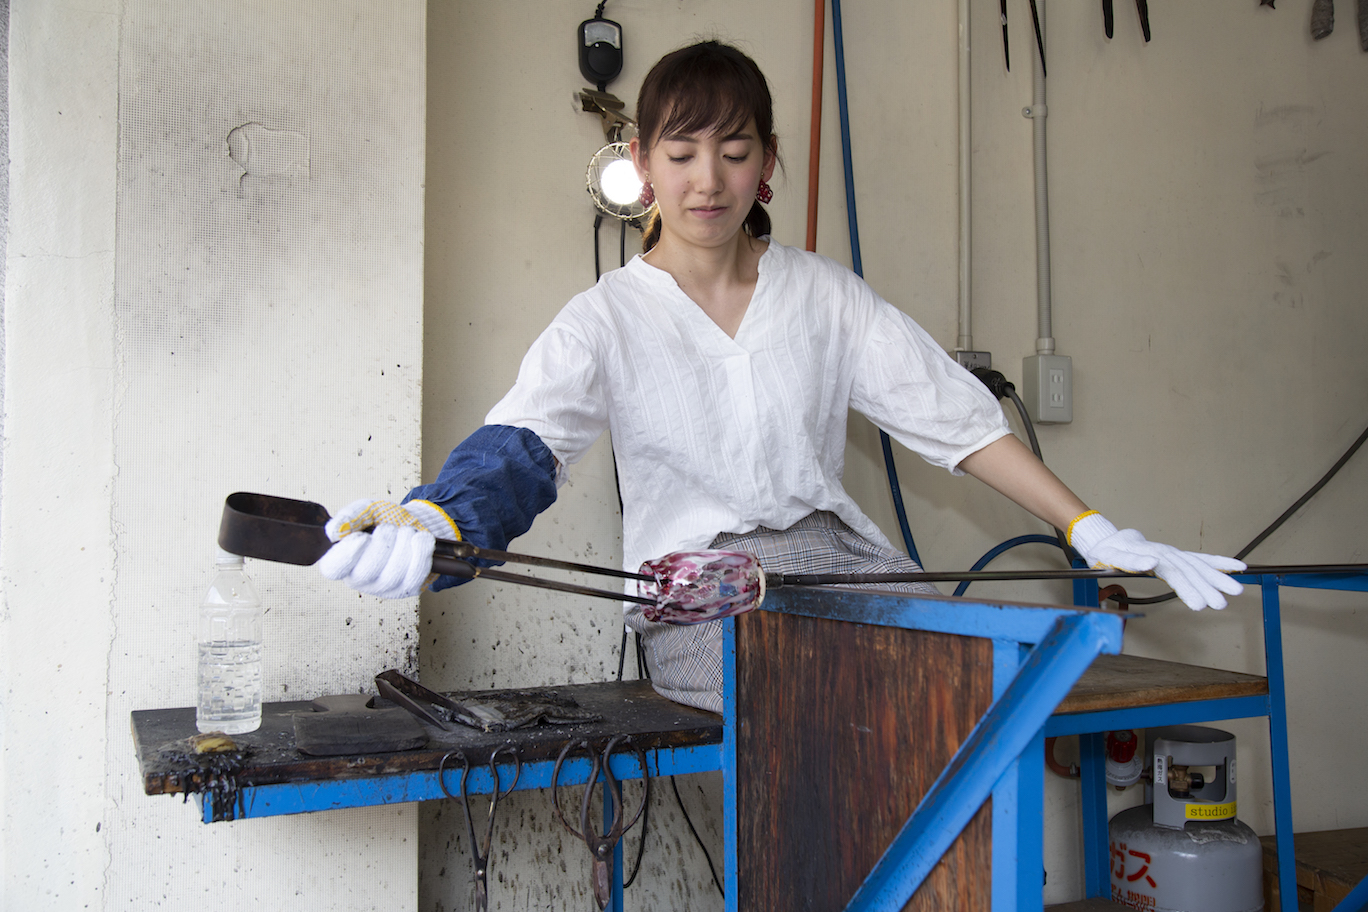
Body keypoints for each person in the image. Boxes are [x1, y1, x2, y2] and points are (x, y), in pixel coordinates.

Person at [318, 40, 1245, 714]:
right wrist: (439, 519)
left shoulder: (823, 294)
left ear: (768, 164)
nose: (706, 181)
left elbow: (955, 420)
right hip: (701, 601)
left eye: (733, 152)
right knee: (830, 696)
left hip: (840, 568)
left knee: (995, 664)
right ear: (642, 167)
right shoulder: (607, 316)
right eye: (680, 156)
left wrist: (1087, 525)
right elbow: (524, 444)